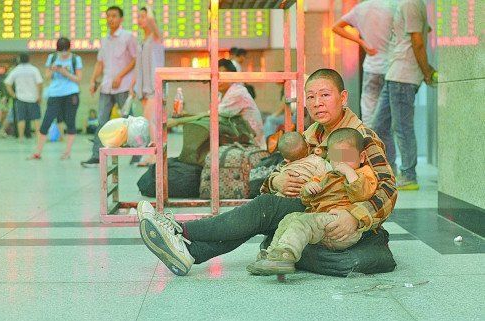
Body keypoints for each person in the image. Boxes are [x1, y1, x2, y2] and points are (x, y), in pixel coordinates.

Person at [136, 68, 398, 277]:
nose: (317, 103)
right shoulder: (309, 137)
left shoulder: (359, 138)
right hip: (311, 212)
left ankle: (181, 231)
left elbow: (387, 188)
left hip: (340, 219)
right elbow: (269, 181)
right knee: (268, 205)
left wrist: (356, 217)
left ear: (342, 98)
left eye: (325, 95)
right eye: (310, 97)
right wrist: (278, 180)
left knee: (266, 210)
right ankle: (190, 252)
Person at [248, 128, 378, 275]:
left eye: (346, 156)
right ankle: (272, 254)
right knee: (290, 218)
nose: (341, 162)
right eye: (337, 157)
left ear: (361, 157)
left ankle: (286, 257)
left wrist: (349, 172)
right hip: (321, 224)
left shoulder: (363, 173)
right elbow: (306, 199)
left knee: (303, 222)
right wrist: (308, 189)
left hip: (343, 227)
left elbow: (362, 194)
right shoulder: (327, 175)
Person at [372, 0, 436, 190]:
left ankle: (409, 174)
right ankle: (389, 170)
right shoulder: (407, 4)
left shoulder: (411, 3)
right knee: (379, 126)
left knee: (402, 127)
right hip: (394, 73)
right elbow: (426, 30)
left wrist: (426, 71)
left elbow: (418, 42)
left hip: (404, 75)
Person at [81, 5, 137, 167]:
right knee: (102, 120)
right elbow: (100, 62)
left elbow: (135, 60)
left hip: (123, 86)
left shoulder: (128, 37)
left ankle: (138, 153)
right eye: (108, 16)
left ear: (121, 19)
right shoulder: (105, 40)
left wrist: (120, 76)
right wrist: (93, 80)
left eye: (114, 16)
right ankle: (96, 155)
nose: (110, 19)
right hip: (106, 86)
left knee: (128, 120)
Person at [332, 0, 396, 127]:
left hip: (372, 67)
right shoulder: (392, 6)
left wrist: (362, 42)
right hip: (392, 67)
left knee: (368, 112)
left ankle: (370, 144)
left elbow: (336, 27)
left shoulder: (360, 9)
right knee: (390, 114)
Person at [29, 37, 83, 160]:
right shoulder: (52, 58)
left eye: (65, 51)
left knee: (70, 122)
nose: (63, 54)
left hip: (71, 94)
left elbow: (79, 79)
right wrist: (53, 70)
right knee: (46, 122)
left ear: (69, 49)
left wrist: (66, 73)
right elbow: (47, 76)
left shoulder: (76, 59)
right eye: (61, 52)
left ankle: (67, 152)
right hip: (54, 94)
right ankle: (38, 152)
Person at [129, 6, 165, 166]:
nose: (140, 19)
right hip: (143, 87)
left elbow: (151, 20)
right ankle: (153, 155)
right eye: (139, 16)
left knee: (149, 120)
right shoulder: (141, 41)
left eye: (143, 16)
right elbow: (138, 65)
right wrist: (132, 84)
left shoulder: (157, 38)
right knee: (151, 121)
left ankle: (152, 155)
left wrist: (149, 8)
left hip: (155, 87)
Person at [217, 58, 265, 149]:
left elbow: (217, 114)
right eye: (217, 75)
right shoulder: (221, 94)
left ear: (232, 76)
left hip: (252, 145)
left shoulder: (237, 92)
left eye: (223, 75)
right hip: (240, 141)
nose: (219, 80)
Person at [271, 131, 331, 197]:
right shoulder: (317, 160)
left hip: (283, 197)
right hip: (306, 196)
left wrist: (274, 180)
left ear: (286, 159)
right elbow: (328, 174)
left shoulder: (285, 166)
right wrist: (274, 181)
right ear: (308, 145)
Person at [4, 53, 43, 142]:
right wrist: (39, 95)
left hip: (20, 98)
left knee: (21, 119)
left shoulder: (16, 70)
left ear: (19, 60)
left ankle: (21, 138)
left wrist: (13, 94)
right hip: (33, 98)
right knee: (36, 118)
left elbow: (7, 83)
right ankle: (38, 137)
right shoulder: (34, 70)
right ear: (29, 59)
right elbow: (40, 83)